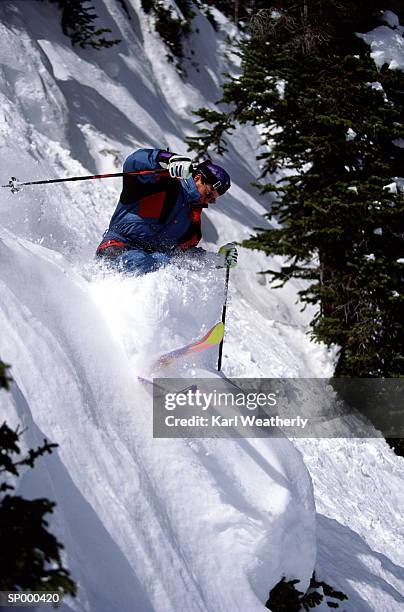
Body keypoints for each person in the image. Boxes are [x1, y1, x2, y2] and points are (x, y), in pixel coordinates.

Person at [96, 148, 238, 274]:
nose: (207, 201)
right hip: (116, 249)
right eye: (208, 194)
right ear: (197, 178)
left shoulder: (192, 222)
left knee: (169, 267)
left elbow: (183, 257)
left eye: (212, 200)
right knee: (151, 263)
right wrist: (167, 158)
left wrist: (218, 260)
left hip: (149, 265)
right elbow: (133, 162)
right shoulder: (159, 182)